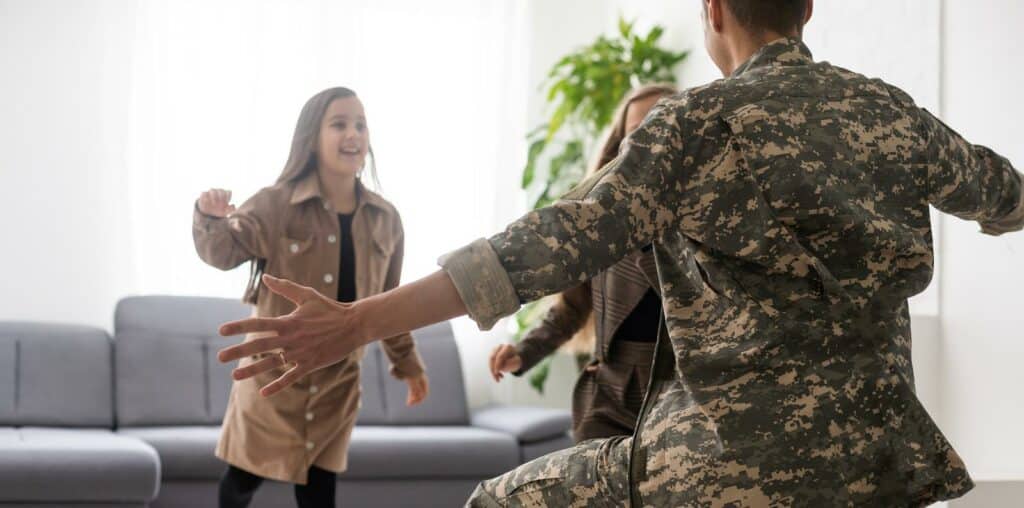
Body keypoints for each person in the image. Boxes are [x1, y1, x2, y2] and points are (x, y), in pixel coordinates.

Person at [215, 1, 1024, 505]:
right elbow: (1007, 194)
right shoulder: (893, 115)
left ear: (713, 13)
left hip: (723, 470)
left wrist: (357, 321)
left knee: (498, 501)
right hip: (885, 462)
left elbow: (536, 248)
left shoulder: (689, 126)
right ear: (808, 8)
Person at [193, 87, 429, 507]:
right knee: (242, 480)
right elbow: (223, 252)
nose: (352, 133)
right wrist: (209, 218)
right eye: (338, 124)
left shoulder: (386, 219)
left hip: (338, 384)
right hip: (272, 378)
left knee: (320, 491)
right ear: (311, 137)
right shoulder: (275, 203)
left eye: (360, 123)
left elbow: (391, 302)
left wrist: (407, 364)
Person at [489, 84, 676, 443]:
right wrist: (523, 351)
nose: (646, 140)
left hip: (679, 397)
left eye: (658, 125)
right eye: (635, 131)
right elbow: (571, 308)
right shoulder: (597, 221)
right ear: (621, 144)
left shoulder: (705, 218)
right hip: (610, 399)